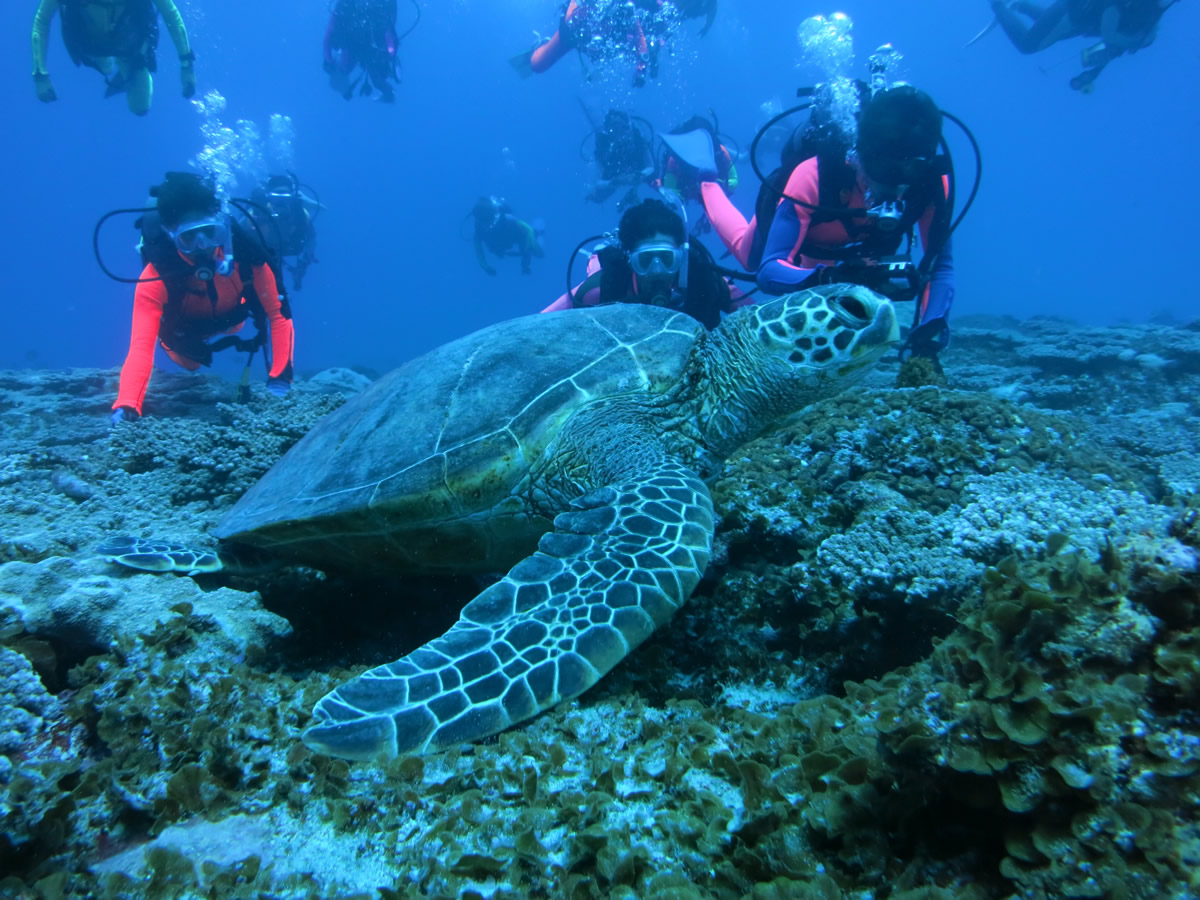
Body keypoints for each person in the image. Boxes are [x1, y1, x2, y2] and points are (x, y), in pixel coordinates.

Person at [703, 85, 955, 367]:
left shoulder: (928, 185)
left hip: (849, 252)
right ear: (857, 156)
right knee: (748, 255)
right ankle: (707, 180)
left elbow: (940, 267)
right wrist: (832, 277)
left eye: (912, 171)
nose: (896, 189)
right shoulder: (814, 175)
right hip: (812, 238)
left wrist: (928, 336)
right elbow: (769, 271)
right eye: (883, 172)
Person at [110, 172, 295, 423]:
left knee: (235, 326)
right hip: (187, 329)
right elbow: (141, 345)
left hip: (231, 316)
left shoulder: (249, 257)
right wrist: (128, 404)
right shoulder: (154, 277)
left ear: (223, 227)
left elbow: (278, 314)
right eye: (189, 238)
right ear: (171, 235)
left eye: (210, 233)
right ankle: (178, 348)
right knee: (190, 364)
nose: (203, 245)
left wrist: (281, 377)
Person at [541, 198, 752, 330]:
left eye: (667, 259)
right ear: (630, 261)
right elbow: (539, 325)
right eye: (645, 260)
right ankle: (596, 259)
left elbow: (757, 316)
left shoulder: (706, 283)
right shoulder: (600, 290)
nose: (657, 270)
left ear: (681, 257)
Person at [31, 0, 195, 116]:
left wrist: (186, 66)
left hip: (130, 50)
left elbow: (171, 15)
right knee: (104, 66)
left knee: (140, 107)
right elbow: (42, 21)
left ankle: (122, 68)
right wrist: (40, 76)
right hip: (92, 48)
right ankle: (107, 65)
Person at [987, 0, 1177, 91]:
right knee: (1028, 46)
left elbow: (1113, 47)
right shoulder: (1139, 8)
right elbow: (1109, 32)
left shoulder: (1150, 18)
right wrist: (1133, 42)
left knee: (1053, 33)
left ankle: (1020, 6)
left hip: (1078, 21)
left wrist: (1092, 73)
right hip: (1073, 11)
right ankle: (998, 5)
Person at [657, 114, 737, 231]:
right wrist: (687, 193)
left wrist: (716, 185)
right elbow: (670, 190)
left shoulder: (721, 153)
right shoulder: (674, 161)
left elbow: (734, 181)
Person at [251, 174, 319, 290]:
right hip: (264, 252)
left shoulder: (301, 216)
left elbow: (311, 237)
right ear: (268, 199)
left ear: (293, 199)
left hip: (290, 248)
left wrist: (305, 261)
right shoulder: (256, 216)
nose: (280, 204)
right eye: (275, 198)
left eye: (285, 199)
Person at [324, 0, 401, 102]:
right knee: (377, 78)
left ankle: (388, 94)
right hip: (360, 45)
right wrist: (390, 52)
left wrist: (329, 60)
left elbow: (327, 40)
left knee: (377, 77)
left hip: (364, 46)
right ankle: (388, 95)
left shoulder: (344, 5)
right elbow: (389, 33)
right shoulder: (345, 5)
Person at [586, 109, 654, 209]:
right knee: (597, 198)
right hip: (613, 176)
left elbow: (651, 166)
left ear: (628, 127)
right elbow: (597, 182)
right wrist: (614, 182)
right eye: (614, 130)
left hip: (636, 172)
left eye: (623, 128)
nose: (620, 134)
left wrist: (640, 176)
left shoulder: (637, 138)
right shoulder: (603, 145)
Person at [472, 196, 545, 276]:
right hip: (502, 244)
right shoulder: (479, 229)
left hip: (517, 236)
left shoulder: (508, 219)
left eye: (489, 222)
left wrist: (526, 255)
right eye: (484, 223)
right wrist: (485, 266)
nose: (487, 226)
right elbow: (478, 249)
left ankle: (539, 233)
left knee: (539, 254)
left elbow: (528, 230)